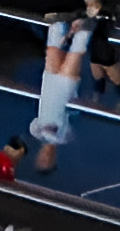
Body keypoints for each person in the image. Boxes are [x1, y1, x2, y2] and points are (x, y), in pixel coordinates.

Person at [28, 16, 94, 173]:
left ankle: (60, 19)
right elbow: (74, 116)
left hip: (49, 86)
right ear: (54, 160)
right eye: (47, 161)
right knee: (75, 54)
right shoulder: (66, 137)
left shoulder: (34, 130)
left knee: (52, 51)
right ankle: (89, 21)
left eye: (41, 160)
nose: (45, 157)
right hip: (65, 90)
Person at [78, 0, 120, 108]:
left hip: (107, 51)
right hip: (95, 50)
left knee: (116, 79)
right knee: (97, 76)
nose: (87, 3)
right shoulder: (87, 15)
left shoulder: (109, 13)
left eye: (89, 0)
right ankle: (96, 98)